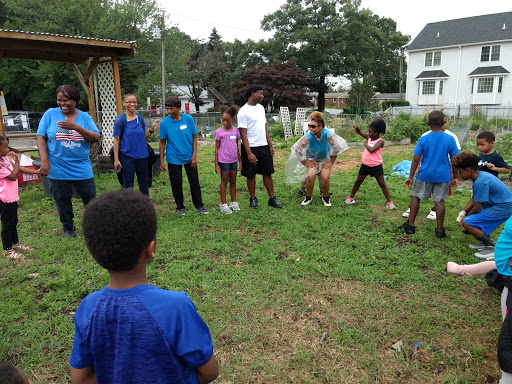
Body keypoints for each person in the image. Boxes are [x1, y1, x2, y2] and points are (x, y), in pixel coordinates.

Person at [69, 189, 219, 384]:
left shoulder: (88, 307)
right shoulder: (175, 307)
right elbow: (209, 372)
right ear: (151, 249)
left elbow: (80, 379)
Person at [37, 85, 101, 238]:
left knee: (90, 198)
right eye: (59, 100)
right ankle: (68, 229)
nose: (62, 103)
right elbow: (41, 137)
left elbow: (95, 137)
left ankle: (92, 227)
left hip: (81, 166)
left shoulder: (84, 117)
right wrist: (44, 161)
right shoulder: (50, 114)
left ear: (75, 101)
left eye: (66, 100)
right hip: (58, 166)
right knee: (62, 200)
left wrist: (76, 127)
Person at [402, 110, 459, 239]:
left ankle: (410, 225)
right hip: (443, 176)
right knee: (439, 201)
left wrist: (410, 176)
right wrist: (455, 177)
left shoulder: (423, 139)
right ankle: (439, 230)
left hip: (425, 175)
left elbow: (416, 159)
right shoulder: (450, 139)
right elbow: (455, 160)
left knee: (416, 196)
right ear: (443, 122)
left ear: (428, 123)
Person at [451, 151, 512, 259]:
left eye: (460, 172)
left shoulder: (481, 182)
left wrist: (466, 218)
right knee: (470, 216)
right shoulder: (480, 176)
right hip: (497, 204)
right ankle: (484, 241)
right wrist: (463, 212)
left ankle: (491, 247)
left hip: (504, 207)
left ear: (468, 170)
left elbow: (477, 207)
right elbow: (475, 198)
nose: (459, 175)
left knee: (468, 222)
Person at [286, 111, 347, 207]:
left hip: (324, 159)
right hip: (312, 159)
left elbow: (337, 147)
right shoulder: (308, 136)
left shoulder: (328, 134)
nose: (310, 128)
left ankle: (325, 197)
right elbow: (298, 150)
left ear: (320, 126)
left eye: (313, 126)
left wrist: (330, 162)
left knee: (325, 178)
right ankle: (308, 197)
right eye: (310, 126)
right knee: (311, 177)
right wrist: (305, 163)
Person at [159, 97, 208, 215]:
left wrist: (194, 156)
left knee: (194, 181)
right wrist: (161, 160)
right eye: (167, 109)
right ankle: (180, 207)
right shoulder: (165, 123)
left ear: (179, 108)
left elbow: (195, 137)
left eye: (171, 109)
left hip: (189, 155)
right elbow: (162, 142)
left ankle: (199, 205)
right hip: (173, 156)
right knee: (176, 182)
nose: (169, 111)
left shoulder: (188, 119)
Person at [237, 84, 282, 209]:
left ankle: (272, 199)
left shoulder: (261, 108)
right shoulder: (243, 112)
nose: (262, 96)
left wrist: (270, 145)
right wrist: (249, 153)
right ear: (253, 93)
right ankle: (253, 198)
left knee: (267, 173)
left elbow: (264, 127)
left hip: (263, 146)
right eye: (260, 93)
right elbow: (243, 134)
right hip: (250, 147)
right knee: (251, 174)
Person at [113, 90, 160, 196]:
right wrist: (116, 159)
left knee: (144, 184)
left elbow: (143, 136)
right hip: (127, 157)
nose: (132, 104)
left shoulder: (140, 119)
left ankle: (144, 208)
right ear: (124, 103)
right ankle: (127, 209)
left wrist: (151, 129)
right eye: (129, 102)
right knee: (127, 186)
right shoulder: (120, 120)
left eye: (134, 102)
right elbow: (116, 140)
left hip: (142, 156)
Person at [0, 137, 40, 259]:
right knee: (7, 223)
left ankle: (15, 244)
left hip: (11, 196)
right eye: (5, 147)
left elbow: (18, 169)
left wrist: (37, 172)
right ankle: (7, 251)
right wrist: (17, 161)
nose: (7, 149)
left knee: (13, 221)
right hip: (3, 197)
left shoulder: (4, 159)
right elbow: (13, 176)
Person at [344, 120, 396, 209]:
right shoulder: (369, 137)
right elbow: (360, 132)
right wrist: (357, 128)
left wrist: (365, 144)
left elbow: (372, 150)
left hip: (376, 166)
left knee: (382, 184)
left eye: (370, 131)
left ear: (376, 133)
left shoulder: (380, 141)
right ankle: (351, 198)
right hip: (365, 165)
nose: (368, 133)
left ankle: (389, 202)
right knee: (358, 181)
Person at [214, 105, 241, 214]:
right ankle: (223, 204)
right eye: (223, 120)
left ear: (233, 120)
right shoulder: (219, 132)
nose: (225, 123)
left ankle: (233, 202)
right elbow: (216, 149)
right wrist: (216, 164)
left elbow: (236, 146)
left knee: (233, 181)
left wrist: (240, 160)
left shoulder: (236, 131)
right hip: (223, 161)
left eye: (228, 121)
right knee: (224, 181)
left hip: (233, 160)